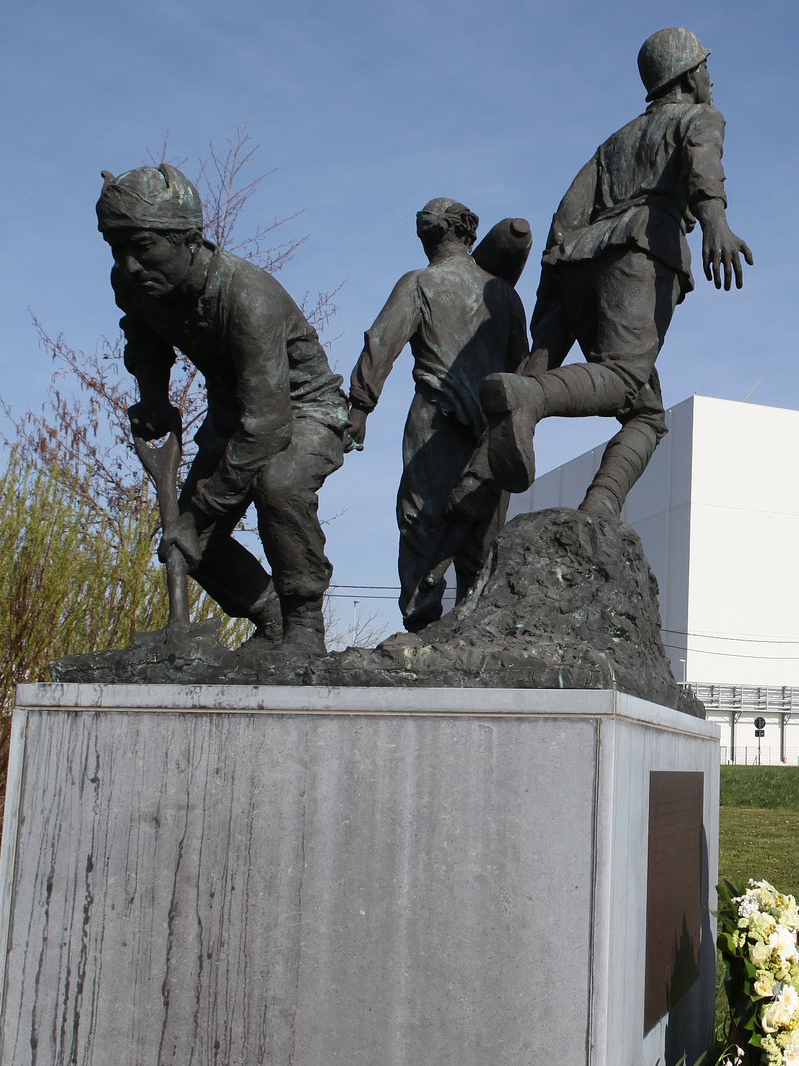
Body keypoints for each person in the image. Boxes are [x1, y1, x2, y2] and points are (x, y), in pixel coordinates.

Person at [480, 26, 752, 517]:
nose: (712, 80)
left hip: (577, 262)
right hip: (640, 252)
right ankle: (531, 397)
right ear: (688, 78)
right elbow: (702, 166)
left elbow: (566, 216)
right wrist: (716, 223)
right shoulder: (700, 117)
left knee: (646, 413)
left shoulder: (613, 143)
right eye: (706, 69)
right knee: (625, 376)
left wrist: (551, 314)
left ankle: (597, 507)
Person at [96, 163, 352, 652]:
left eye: (143, 245)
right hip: (236, 415)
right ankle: (271, 617)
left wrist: (201, 509)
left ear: (188, 240)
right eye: (117, 247)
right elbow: (144, 336)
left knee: (278, 484)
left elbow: (269, 425)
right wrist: (153, 396)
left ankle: (304, 626)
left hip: (303, 411)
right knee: (184, 541)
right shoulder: (135, 284)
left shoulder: (247, 295)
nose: (129, 263)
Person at [348, 199, 528, 631]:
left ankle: (420, 614)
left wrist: (359, 407)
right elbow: (523, 371)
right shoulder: (504, 294)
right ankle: (471, 621)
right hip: (491, 428)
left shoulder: (419, 283)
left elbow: (381, 343)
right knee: (480, 530)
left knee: (421, 519)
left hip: (435, 420)